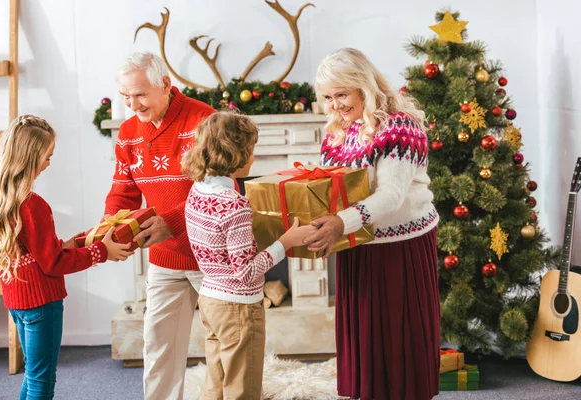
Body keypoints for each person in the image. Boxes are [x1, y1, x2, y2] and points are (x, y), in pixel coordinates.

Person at [304, 48, 440, 400]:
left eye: (342, 94)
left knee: (399, 342)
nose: (335, 104)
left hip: (401, 245)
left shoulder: (399, 125)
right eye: (328, 97)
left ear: (362, 86)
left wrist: (339, 222)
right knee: (364, 340)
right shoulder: (337, 131)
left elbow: (391, 195)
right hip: (356, 241)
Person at [0, 115, 131, 400]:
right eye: (47, 157)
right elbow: (52, 263)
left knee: (34, 374)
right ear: (30, 158)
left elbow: (35, 252)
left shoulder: (1, 200)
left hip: (19, 303)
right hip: (41, 304)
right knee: (42, 380)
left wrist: (71, 243)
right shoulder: (32, 204)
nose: (49, 163)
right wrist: (101, 252)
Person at [104, 51, 215, 399]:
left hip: (212, 254)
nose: (133, 103)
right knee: (158, 345)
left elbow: (219, 188)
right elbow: (123, 191)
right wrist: (109, 226)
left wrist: (171, 221)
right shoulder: (127, 132)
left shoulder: (205, 120)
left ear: (166, 85)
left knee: (224, 344)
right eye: (126, 96)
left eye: (140, 94)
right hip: (165, 259)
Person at [183, 112, 316, 399]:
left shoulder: (196, 192)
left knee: (216, 381)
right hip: (239, 308)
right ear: (236, 153)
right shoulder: (235, 205)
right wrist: (285, 242)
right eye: (251, 151)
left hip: (209, 298)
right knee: (243, 387)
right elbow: (246, 271)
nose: (254, 159)